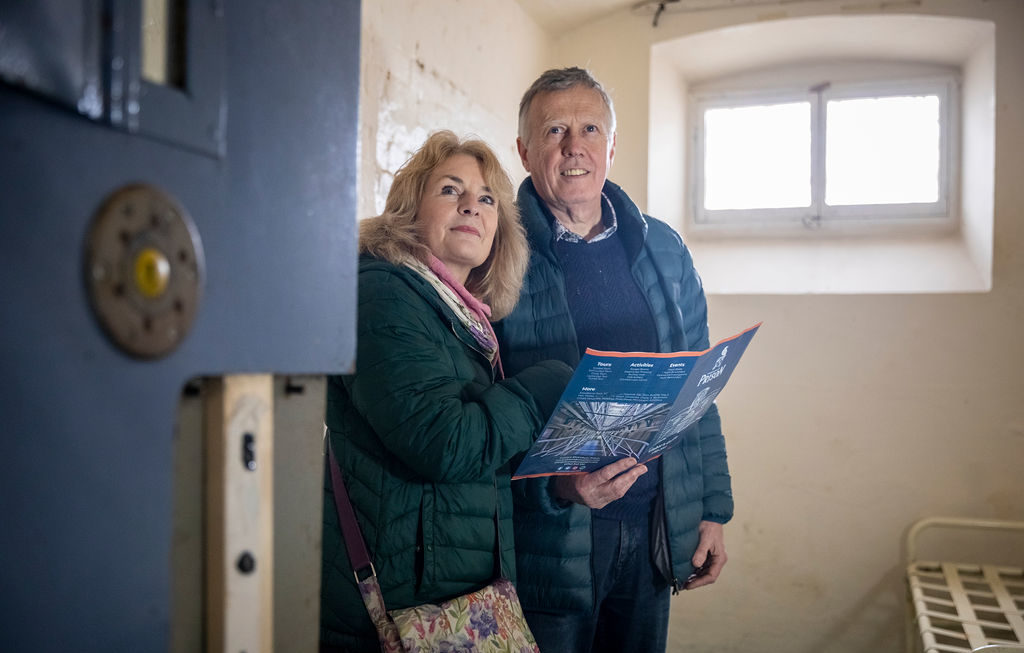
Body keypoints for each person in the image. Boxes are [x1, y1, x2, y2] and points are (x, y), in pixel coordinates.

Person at [494, 67, 734, 653]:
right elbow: (481, 409)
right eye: (554, 131)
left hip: (654, 521)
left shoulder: (664, 248)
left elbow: (697, 389)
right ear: (524, 151)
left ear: (611, 144)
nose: (574, 146)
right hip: (554, 535)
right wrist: (558, 488)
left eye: (590, 128)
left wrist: (712, 509)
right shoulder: (496, 251)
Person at [319, 130, 572, 652]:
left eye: (486, 199)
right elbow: (444, 442)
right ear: (409, 209)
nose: (471, 207)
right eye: (450, 190)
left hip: (450, 593)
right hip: (399, 602)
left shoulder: (464, 317)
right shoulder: (382, 292)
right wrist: (541, 386)